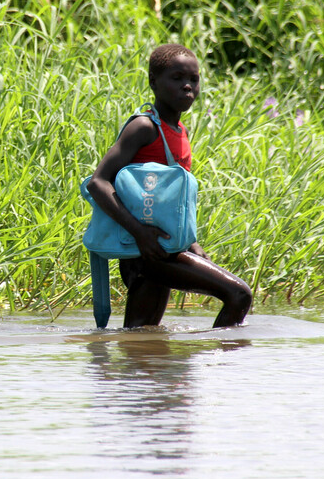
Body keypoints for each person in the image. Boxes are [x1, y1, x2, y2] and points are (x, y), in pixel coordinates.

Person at [86, 44, 252, 329]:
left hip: (163, 250)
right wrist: (140, 234)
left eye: (194, 80)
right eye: (176, 78)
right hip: (145, 255)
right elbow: (97, 183)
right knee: (239, 295)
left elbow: (169, 202)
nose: (187, 86)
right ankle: (221, 370)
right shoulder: (144, 127)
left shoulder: (179, 132)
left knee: (142, 338)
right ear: (153, 82)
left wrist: (192, 243)